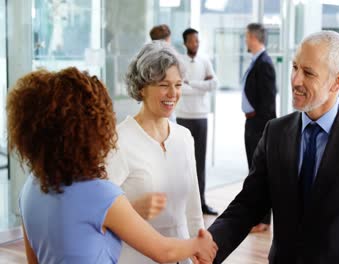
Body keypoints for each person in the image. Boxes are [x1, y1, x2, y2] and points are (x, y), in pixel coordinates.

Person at [208, 31, 339, 263]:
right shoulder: (275, 132)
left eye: (308, 73)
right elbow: (248, 205)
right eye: (295, 67)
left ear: (338, 81)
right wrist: (209, 246)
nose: (295, 80)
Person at [10, 67, 218, 264]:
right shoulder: (98, 193)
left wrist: (133, 208)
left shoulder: (30, 188)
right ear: (91, 128)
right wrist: (198, 244)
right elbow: (164, 251)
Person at [106, 41, 206, 264]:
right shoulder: (118, 141)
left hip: (182, 257)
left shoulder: (184, 137)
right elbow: (99, 216)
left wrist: (199, 245)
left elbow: (193, 206)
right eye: (163, 84)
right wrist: (132, 211)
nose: (173, 93)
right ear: (141, 88)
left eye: (178, 84)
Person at [176, 28, 218, 216]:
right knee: (183, 163)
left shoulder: (205, 60)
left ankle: (201, 203)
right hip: (183, 116)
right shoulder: (179, 62)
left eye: (197, 41)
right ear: (185, 43)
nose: (196, 44)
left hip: (201, 117)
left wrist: (191, 84)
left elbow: (214, 84)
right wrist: (200, 86)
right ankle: (183, 205)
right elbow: (180, 89)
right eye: (192, 41)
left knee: (200, 162)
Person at [242, 22, 277, 232]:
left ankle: (263, 220)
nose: (245, 40)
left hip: (259, 125)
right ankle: (259, 218)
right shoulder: (256, 61)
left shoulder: (264, 63)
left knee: (260, 173)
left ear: (254, 38)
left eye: (247, 36)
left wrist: (265, 131)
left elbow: (268, 101)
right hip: (252, 122)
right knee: (254, 171)